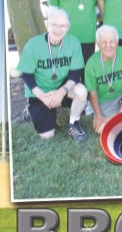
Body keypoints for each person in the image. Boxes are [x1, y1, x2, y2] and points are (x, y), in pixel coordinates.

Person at [16, 8, 88, 141]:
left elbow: (75, 73)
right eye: (54, 25)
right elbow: (26, 75)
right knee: (47, 136)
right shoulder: (33, 45)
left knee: (81, 91)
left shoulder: (73, 42)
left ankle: (74, 123)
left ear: (68, 27)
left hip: (62, 86)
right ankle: (29, 111)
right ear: (47, 25)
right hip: (40, 91)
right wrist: (43, 97)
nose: (58, 29)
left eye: (62, 26)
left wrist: (61, 92)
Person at [84, 25, 122, 134]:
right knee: (101, 129)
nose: (108, 45)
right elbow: (92, 92)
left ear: (117, 42)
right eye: (104, 42)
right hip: (105, 101)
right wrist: (98, 115)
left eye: (112, 41)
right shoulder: (91, 63)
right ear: (98, 44)